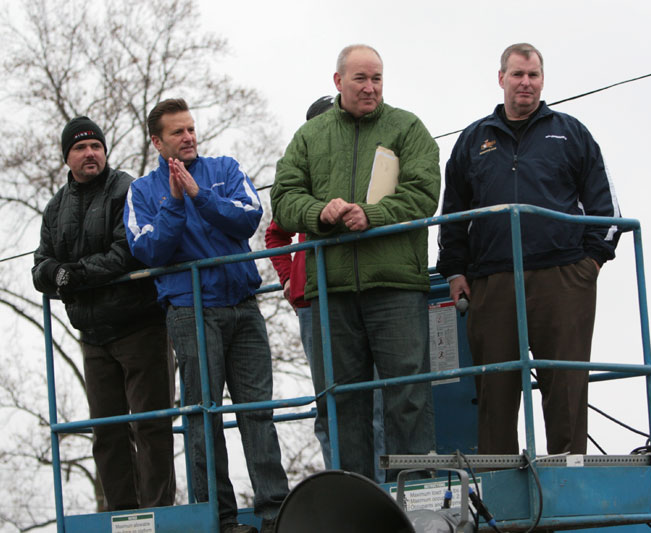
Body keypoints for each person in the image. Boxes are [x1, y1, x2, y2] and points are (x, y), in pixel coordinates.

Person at [436, 43, 621, 456]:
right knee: (494, 390)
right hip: (492, 281)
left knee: (566, 388)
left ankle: (569, 478)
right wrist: (455, 271)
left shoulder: (572, 133)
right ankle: (501, 487)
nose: (526, 83)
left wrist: (588, 265)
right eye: (518, 74)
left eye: (533, 75)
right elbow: (452, 216)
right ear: (501, 78)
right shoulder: (472, 140)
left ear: (542, 80)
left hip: (563, 279)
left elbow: (606, 210)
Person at [271, 44, 439, 482]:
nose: (370, 88)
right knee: (341, 401)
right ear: (338, 81)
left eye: (377, 79)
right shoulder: (310, 136)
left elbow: (424, 193)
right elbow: (284, 197)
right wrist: (319, 214)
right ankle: (356, 505)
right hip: (334, 290)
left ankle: (416, 496)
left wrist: (373, 214)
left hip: (397, 286)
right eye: (361, 79)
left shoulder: (408, 127)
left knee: (407, 396)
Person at [124, 98, 288, 533]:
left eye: (191, 129)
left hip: (243, 308)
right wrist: (176, 204)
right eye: (178, 132)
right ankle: (219, 519)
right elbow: (150, 251)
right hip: (191, 314)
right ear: (158, 142)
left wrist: (199, 195)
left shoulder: (226, 169)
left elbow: (249, 216)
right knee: (202, 417)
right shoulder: (141, 193)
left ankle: (276, 513)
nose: (189, 137)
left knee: (259, 411)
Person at [32, 116, 175, 511]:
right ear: (67, 158)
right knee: (107, 434)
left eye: (96, 146)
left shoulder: (127, 189)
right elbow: (40, 267)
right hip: (93, 336)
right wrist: (59, 273)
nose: (89, 153)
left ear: (105, 152)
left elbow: (126, 251)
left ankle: (158, 514)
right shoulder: (55, 207)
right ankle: (122, 517)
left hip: (140, 326)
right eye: (80, 148)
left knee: (152, 425)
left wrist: (75, 274)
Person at [265, 95, 387, 479]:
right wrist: (288, 279)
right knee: (331, 401)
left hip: (368, 293)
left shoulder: (369, 166)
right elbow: (275, 233)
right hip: (315, 302)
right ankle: (347, 486)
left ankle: (384, 486)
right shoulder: (302, 179)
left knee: (381, 397)